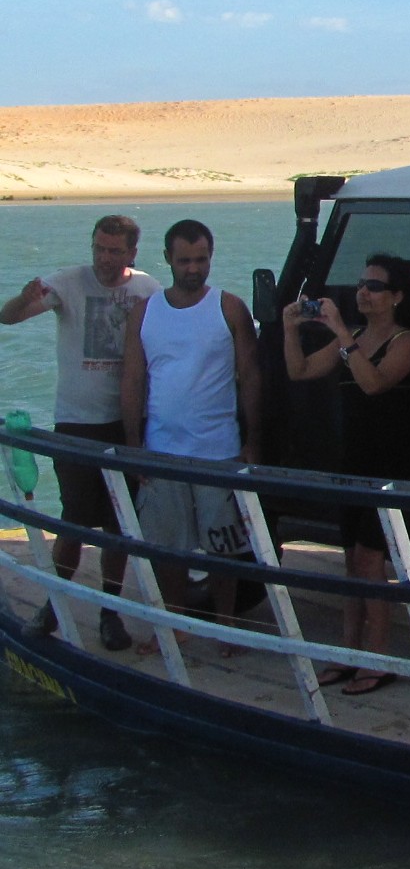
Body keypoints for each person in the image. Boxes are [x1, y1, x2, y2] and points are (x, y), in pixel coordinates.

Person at [0, 215, 160, 650]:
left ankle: (111, 613)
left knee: (118, 526)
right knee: (73, 520)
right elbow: (8, 317)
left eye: (114, 251)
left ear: (131, 253)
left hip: (126, 423)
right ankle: (54, 605)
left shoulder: (146, 289)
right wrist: (22, 297)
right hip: (75, 422)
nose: (105, 259)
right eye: (99, 249)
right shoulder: (66, 282)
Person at [281, 255, 410, 696]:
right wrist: (289, 328)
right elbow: (299, 371)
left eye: (376, 287)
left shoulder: (408, 341)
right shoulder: (357, 337)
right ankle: (349, 654)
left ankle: (378, 659)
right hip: (354, 462)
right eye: (362, 284)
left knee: (370, 562)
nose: (364, 292)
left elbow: (374, 383)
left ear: (397, 296)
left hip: (389, 466)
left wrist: (343, 335)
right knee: (350, 563)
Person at [120, 219, 261, 645]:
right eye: (185, 260)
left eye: (201, 259)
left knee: (224, 549)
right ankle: (175, 623)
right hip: (162, 450)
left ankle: (226, 624)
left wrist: (253, 441)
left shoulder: (229, 307)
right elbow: (133, 379)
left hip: (218, 450)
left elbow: (250, 375)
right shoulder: (146, 312)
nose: (194, 268)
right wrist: (134, 445)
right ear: (167, 259)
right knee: (168, 549)